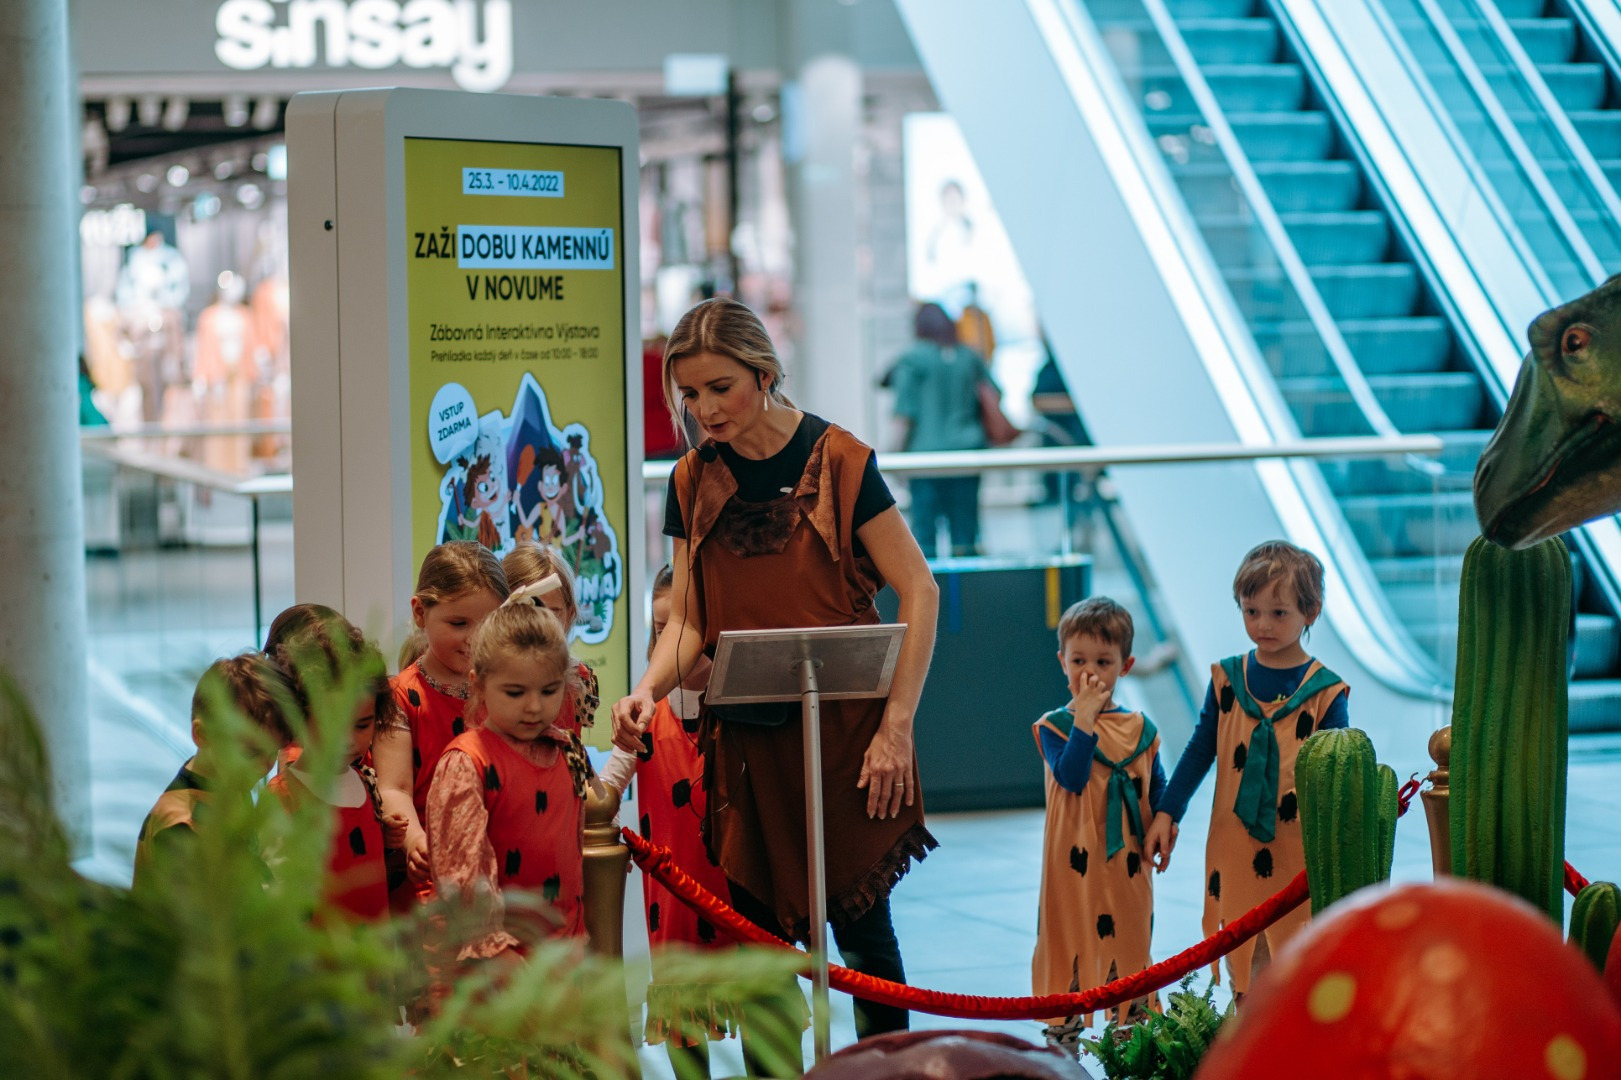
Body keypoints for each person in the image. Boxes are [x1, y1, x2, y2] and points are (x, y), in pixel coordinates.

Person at [612, 297, 940, 1062]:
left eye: (719, 388)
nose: (704, 410)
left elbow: (919, 590)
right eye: (689, 394)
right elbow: (689, 619)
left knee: (864, 938)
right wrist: (645, 689)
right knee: (760, 952)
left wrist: (896, 726)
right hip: (748, 747)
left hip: (850, 738)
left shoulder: (842, 460)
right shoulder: (691, 479)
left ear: (763, 374)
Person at [1143, 541, 1350, 998]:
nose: (1262, 625)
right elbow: (1200, 749)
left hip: (1296, 852)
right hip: (1235, 847)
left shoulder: (1326, 693)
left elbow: (1340, 772)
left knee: (1296, 962)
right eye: (1251, 611)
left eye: (1278, 613)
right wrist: (1167, 813)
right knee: (1246, 959)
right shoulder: (1228, 680)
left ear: (1311, 611)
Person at [599, 565, 732, 1076]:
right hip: (676, 904)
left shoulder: (744, 708)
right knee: (683, 1018)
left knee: (765, 1011)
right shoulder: (646, 716)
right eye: (662, 630)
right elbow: (607, 789)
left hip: (742, 896)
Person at [425, 601, 589, 968]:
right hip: (493, 969)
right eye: (515, 693)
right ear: (479, 684)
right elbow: (463, 886)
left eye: (549, 691)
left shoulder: (567, 749)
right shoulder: (467, 763)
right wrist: (507, 965)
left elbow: (574, 851)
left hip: (564, 957)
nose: (534, 707)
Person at [1031, 598, 1164, 1047]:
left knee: (1128, 954)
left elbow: (1156, 788)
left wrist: (1166, 824)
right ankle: (1063, 1049)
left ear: (1125, 666)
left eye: (1103, 662)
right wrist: (1084, 718)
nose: (1089, 673)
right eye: (1079, 661)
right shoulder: (1055, 727)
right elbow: (1071, 775)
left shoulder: (1141, 729)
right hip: (1074, 874)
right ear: (1062, 663)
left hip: (1127, 872)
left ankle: (1130, 1045)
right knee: (1071, 952)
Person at [374, 541, 509, 905]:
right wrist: (415, 839)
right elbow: (395, 788)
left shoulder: (505, 689)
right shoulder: (401, 697)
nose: (474, 638)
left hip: (502, 868)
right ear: (420, 612)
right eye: (458, 623)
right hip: (432, 874)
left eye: (488, 624)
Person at [266, 612, 402, 923]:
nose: (347, 740)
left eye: (362, 725)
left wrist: (385, 838)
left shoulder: (365, 780)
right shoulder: (285, 796)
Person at [133, 653, 295, 887]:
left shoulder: (228, 784)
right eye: (251, 752)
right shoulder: (181, 828)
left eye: (273, 752)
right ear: (202, 734)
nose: (264, 767)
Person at [887, 302, 991, 558]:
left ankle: (934, 584)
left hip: (925, 460)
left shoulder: (912, 359)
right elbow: (992, 395)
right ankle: (965, 584)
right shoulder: (969, 357)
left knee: (925, 537)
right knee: (965, 534)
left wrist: (893, 457)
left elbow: (904, 415)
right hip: (966, 456)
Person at [500, 539, 602, 776]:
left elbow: (574, 759)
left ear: (570, 614)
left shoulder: (580, 681)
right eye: (528, 610)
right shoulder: (485, 681)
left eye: (552, 614)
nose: (539, 625)